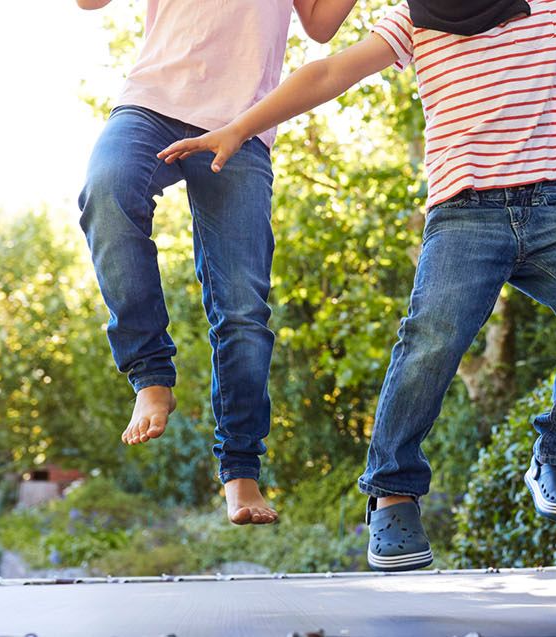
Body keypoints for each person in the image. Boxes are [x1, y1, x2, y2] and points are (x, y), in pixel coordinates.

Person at [157, 0, 556, 572]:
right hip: (464, 215)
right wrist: (240, 127)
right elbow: (332, 71)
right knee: (431, 339)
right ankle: (392, 492)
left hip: (548, 208)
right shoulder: (419, 17)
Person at [77, 0, 358, 525]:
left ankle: (241, 471)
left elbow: (321, 26)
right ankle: (151, 377)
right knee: (106, 189)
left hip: (241, 124)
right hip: (151, 103)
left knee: (243, 308)